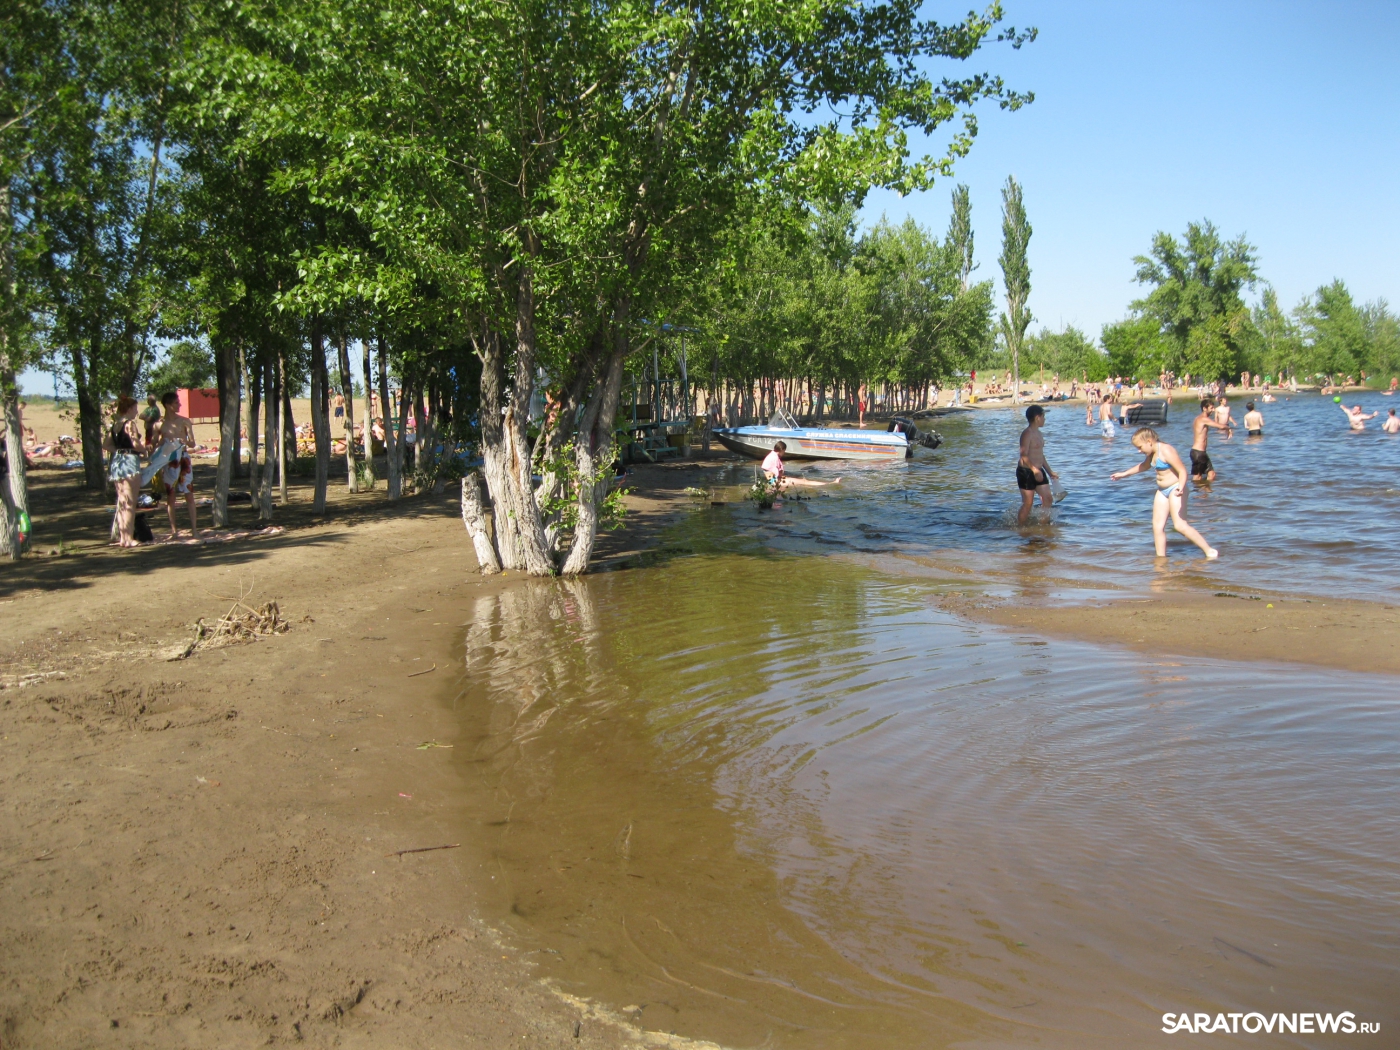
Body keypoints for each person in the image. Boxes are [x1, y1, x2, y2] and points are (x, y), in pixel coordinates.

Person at [1111, 427, 1218, 560]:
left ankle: (1209, 550)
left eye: (1140, 447)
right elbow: (1144, 466)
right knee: (1157, 527)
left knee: (1180, 525)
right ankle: (1161, 559)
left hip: (1176, 489)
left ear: (1149, 441)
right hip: (1162, 491)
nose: (1139, 451)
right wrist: (1123, 474)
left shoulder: (1166, 450)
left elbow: (1182, 471)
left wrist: (1181, 487)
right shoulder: (1151, 454)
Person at [155, 390, 198, 539]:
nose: (179, 405)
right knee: (171, 496)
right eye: (176, 403)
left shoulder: (185, 421)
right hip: (169, 461)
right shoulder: (160, 424)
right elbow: (155, 443)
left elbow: (193, 442)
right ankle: (174, 531)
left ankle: (194, 530)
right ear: (167, 405)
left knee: (189, 493)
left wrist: (185, 442)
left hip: (184, 458)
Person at [103, 396, 144, 547]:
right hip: (130, 462)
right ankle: (129, 537)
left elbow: (106, 444)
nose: (136, 411)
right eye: (135, 408)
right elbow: (135, 443)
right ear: (129, 408)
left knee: (122, 501)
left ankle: (123, 537)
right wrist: (144, 450)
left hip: (117, 462)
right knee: (130, 501)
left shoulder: (115, 425)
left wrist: (119, 450)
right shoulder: (130, 424)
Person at [1016, 405, 1057, 525]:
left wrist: (1050, 472)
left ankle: (1043, 526)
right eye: (1043, 416)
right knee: (1028, 503)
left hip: (1038, 469)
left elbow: (1041, 456)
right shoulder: (1027, 433)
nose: (1045, 419)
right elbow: (1023, 455)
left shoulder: (1039, 433)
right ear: (1037, 417)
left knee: (1048, 499)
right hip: (1026, 471)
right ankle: (1020, 528)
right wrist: (1034, 470)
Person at [761, 441, 839, 489]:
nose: (784, 453)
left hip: (772, 480)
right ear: (782, 450)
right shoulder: (775, 458)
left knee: (801, 481)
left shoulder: (771, 454)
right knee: (804, 482)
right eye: (784, 451)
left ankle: (829, 483)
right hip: (775, 482)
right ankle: (831, 484)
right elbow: (778, 474)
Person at [1190, 398, 1231, 481]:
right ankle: (1196, 493)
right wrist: (1228, 428)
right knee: (1197, 477)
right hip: (1198, 452)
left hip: (1200, 452)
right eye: (1211, 408)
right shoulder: (1203, 419)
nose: (1213, 410)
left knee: (1211, 474)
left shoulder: (1200, 419)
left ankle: (1205, 491)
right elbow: (1221, 426)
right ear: (1205, 408)